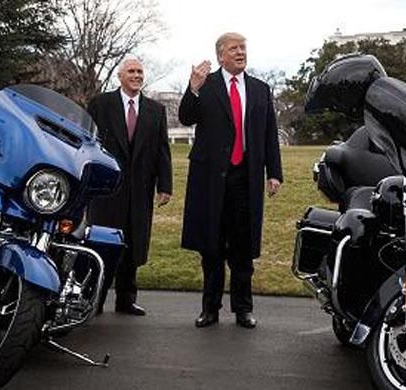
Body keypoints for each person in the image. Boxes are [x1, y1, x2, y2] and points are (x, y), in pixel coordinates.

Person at [178, 32, 283, 329]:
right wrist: (193, 88)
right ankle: (210, 309)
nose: (240, 53)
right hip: (211, 178)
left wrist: (274, 172)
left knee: (243, 247)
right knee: (211, 247)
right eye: (234, 49)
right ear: (220, 55)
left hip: (245, 178)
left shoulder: (260, 89)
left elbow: (268, 134)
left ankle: (243, 309)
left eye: (243, 48)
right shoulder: (206, 85)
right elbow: (186, 117)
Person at [87, 57, 173, 316]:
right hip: (106, 189)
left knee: (133, 245)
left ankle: (126, 300)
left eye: (140, 72)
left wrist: (164, 185)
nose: (137, 76)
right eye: (132, 71)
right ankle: (95, 300)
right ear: (120, 76)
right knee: (102, 243)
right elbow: (87, 141)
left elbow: (162, 150)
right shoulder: (101, 104)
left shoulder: (155, 110)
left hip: (140, 189)